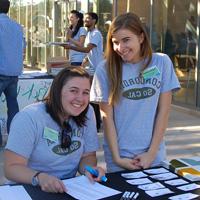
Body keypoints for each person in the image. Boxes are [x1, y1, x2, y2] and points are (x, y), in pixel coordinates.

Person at [90, 12, 180, 173]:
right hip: (120, 159)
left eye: (126, 40)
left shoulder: (161, 62)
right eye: (115, 42)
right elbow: (106, 118)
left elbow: (163, 112)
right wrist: (117, 158)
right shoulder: (105, 69)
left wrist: (151, 154)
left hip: (154, 157)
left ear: (141, 37)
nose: (120, 48)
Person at [4, 67, 105, 193]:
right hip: (28, 189)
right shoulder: (29, 118)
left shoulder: (87, 112)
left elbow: (88, 156)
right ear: (57, 91)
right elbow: (11, 168)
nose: (80, 99)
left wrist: (90, 170)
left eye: (85, 92)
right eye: (74, 91)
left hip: (66, 189)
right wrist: (39, 177)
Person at [62, 12, 103, 131]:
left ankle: (96, 125)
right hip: (90, 69)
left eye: (88, 19)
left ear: (94, 20)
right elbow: (89, 52)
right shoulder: (89, 33)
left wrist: (71, 46)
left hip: (97, 70)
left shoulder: (95, 34)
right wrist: (84, 61)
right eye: (85, 19)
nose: (85, 21)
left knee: (94, 98)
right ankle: (93, 123)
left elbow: (86, 49)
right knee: (89, 96)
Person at [0, 0, 25, 145]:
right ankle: (14, 140)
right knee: (13, 107)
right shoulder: (17, 26)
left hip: (1, 70)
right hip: (13, 72)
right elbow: (23, 47)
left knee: (13, 106)